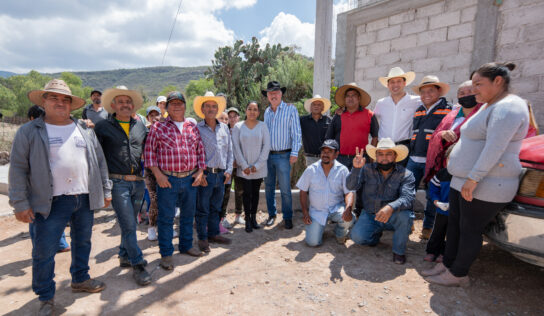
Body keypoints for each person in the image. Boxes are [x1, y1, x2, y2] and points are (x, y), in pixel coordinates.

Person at [9, 79, 112, 315]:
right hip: (50, 202)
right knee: (44, 251)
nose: (60, 103)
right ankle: (46, 297)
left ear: (71, 105)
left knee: (83, 242)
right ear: (43, 101)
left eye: (65, 99)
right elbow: (17, 168)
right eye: (53, 98)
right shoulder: (29, 131)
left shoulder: (84, 128)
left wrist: (105, 189)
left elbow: (99, 161)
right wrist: (20, 203)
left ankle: (80, 279)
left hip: (83, 197)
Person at [423, 62, 529, 287]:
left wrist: (473, 179)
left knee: (470, 229)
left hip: (486, 183)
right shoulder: (489, 105)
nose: (474, 90)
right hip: (462, 180)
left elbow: (495, 148)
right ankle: (448, 264)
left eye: (479, 84)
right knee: (455, 225)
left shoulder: (509, 107)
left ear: (498, 81)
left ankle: (458, 274)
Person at [94, 86, 151, 286]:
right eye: (121, 101)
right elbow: (96, 157)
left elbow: (148, 149)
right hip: (117, 183)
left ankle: (123, 255)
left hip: (138, 183)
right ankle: (138, 264)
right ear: (113, 105)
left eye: (128, 102)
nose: (125, 105)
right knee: (128, 224)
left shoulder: (140, 127)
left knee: (130, 224)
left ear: (133, 105)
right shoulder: (101, 127)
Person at [145, 91, 207, 268]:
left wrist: (201, 171)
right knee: (166, 217)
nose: (177, 106)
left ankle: (186, 245)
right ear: (167, 107)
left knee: (188, 215)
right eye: (173, 103)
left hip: (190, 179)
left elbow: (200, 151)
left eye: (180, 103)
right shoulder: (158, 127)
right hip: (167, 180)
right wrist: (158, 175)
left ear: (185, 106)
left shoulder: (191, 126)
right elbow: (149, 154)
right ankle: (166, 253)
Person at [347, 138, 415, 264]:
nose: (384, 158)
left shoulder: (406, 174)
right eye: (381, 154)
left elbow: (408, 198)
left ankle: (398, 252)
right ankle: (375, 236)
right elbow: (351, 187)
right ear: (376, 156)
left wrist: (390, 207)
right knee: (357, 237)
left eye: (389, 154)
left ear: (395, 156)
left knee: (405, 216)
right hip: (370, 215)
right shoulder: (366, 169)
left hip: (394, 215)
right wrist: (356, 169)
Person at [407, 75, 452, 240]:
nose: (426, 94)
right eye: (423, 91)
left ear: (438, 91)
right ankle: (409, 221)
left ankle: (427, 226)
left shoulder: (448, 109)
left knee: (431, 194)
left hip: (433, 160)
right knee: (407, 191)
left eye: (430, 91)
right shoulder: (419, 110)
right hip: (414, 158)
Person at [26, 105, 71, 253]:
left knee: (55, 215)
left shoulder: (49, 132)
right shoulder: (28, 134)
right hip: (37, 186)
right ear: (33, 119)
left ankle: (59, 244)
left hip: (53, 185)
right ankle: (40, 248)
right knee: (37, 219)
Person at [194, 91, 234, 253]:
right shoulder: (197, 129)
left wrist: (229, 171)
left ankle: (213, 234)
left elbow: (230, 152)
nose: (211, 109)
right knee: (202, 208)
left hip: (221, 174)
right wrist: (199, 173)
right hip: (206, 175)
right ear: (202, 109)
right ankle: (203, 238)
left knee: (216, 207)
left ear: (217, 109)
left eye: (214, 106)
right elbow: (193, 153)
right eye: (208, 106)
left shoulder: (224, 128)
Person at [297, 139, 354, 246]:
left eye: (329, 152)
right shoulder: (311, 170)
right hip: (317, 212)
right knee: (312, 243)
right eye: (324, 151)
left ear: (336, 154)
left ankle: (340, 232)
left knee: (349, 218)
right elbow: (303, 192)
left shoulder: (343, 170)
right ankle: (318, 228)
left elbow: (349, 192)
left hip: (336, 209)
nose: (325, 154)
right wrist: (305, 213)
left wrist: (348, 208)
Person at [424, 81, 482, 184]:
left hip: (470, 168)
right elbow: (436, 135)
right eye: (462, 93)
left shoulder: (483, 113)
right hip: (445, 166)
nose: (466, 95)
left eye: (470, 92)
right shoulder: (451, 115)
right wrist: (442, 134)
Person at [262, 81, 302, 229]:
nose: (273, 95)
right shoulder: (266, 112)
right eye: (270, 93)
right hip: (268, 156)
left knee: (285, 188)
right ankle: (271, 215)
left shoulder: (290, 110)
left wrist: (295, 151)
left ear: (281, 94)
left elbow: (296, 132)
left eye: (276, 92)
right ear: (267, 96)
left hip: (284, 156)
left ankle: (287, 217)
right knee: (269, 187)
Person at [232, 101, 271, 232]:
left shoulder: (263, 126)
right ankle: (247, 219)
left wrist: (258, 165)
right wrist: (244, 165)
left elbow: (267, 146)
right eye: (250, 109)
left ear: (259, 112)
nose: (252, 112)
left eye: (255, 109)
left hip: (258, 168)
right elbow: (236, 147)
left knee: (255, 193)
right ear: (246, 110)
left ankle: (254, 218)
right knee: (246, 193)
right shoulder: (238, 127)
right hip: (244, 168)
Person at [374, 67, 421, 166]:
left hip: (403, 147)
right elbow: (371, 118)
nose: (395, 85)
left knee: (401, 178)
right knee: (382, 178)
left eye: (399, 81)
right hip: (384, 148)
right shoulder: (381, 103)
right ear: (388, 85)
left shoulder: (416, 101)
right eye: (392, 82)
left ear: (404, 83)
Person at [326, 82, 378, 169]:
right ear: (345, 99)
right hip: (340, 159)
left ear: (359, 98)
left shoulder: (369, 115)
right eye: (347, 96)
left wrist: (371, 158)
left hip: (361, 158)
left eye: (353, 95)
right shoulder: (338, 115)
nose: (350, 98)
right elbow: (329, 138)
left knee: (359, 183)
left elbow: (375, 137)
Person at [424, 146, 453, 262]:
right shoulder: (442, 174)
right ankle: (432, 251)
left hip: (457, 213)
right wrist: (436, 201)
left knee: (452, 234)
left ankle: (445, 253)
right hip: (442, 210)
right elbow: (433, 188)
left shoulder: (465, 177)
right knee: (437, 231)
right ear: (446, 160)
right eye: (451, 159)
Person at [221, 106, 245, 230]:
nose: (232, 119)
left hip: (240, 166)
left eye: (234, 116)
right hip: (227, 167)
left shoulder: (242, 130)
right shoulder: (223, 130)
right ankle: (223, 217)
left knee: (240, 191)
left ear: (238, 117)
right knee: (225, 192)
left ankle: (237, 215)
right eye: (229, 117)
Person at [143, 106, 162, 241]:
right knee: (154, 200)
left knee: (167, 201)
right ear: (147, 118)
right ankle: (152, 227)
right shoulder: (145, 132)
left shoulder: (165, 130)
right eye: (151, 115)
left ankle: (164, 227)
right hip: (150, 172)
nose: (154, 117)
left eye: (157, 114)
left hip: (165, 170)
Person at [300, 95, 332, 166]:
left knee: (325, 177)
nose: (316, 106)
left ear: (323, 108)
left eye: (319, 105)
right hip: (310, 157)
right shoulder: (302, 120)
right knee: (312, 177)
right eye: (314, 104)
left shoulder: (329, 120)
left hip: (326, 157)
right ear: (310, 107)